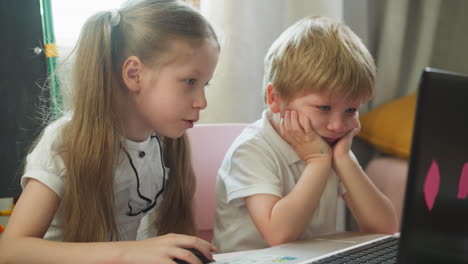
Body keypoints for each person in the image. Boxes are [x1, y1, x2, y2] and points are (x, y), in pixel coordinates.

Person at [0, 0, 220, 263]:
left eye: (205, 84)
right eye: (190, 81)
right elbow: (11, 251)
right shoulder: (65, 143)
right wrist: (128, 252)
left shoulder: (165, 142)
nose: (202, 102)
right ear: (134, 73)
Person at [212, 16, 398, 253]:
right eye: (324, 108)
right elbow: (279, 235)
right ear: (275, 99)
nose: (337, 126)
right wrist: (318, 162)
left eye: (351, 110)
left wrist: (342, 159)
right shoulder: (252, 149)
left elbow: (384, 228)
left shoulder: (332, 146)